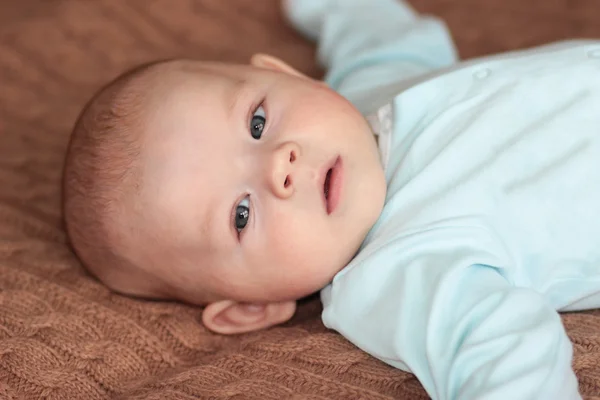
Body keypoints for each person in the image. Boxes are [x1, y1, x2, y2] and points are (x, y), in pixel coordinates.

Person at [62, 0, 600, 398]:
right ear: (253, 307)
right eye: (241, 215)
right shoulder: (398, 273)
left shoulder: (358, 97)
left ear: (284, 76)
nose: (281, 163)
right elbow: (503, 355)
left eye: (257, 122)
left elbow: (376, 31)